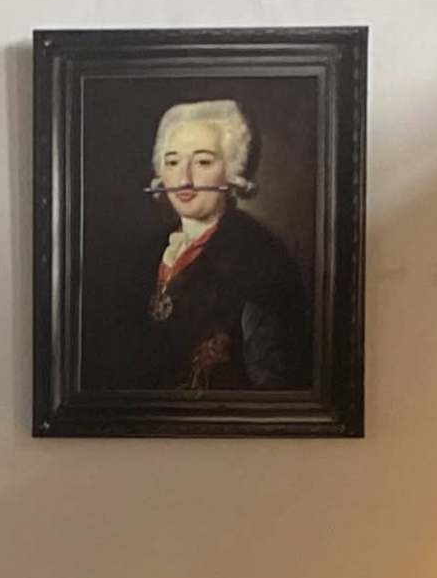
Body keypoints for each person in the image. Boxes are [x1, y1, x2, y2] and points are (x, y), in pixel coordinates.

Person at [124, 98, 307, 391]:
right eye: (172, 162)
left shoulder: (262, 259)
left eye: (203, 162)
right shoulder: (147, 252)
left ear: (232, 171)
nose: (184, 179)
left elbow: (273, 380)